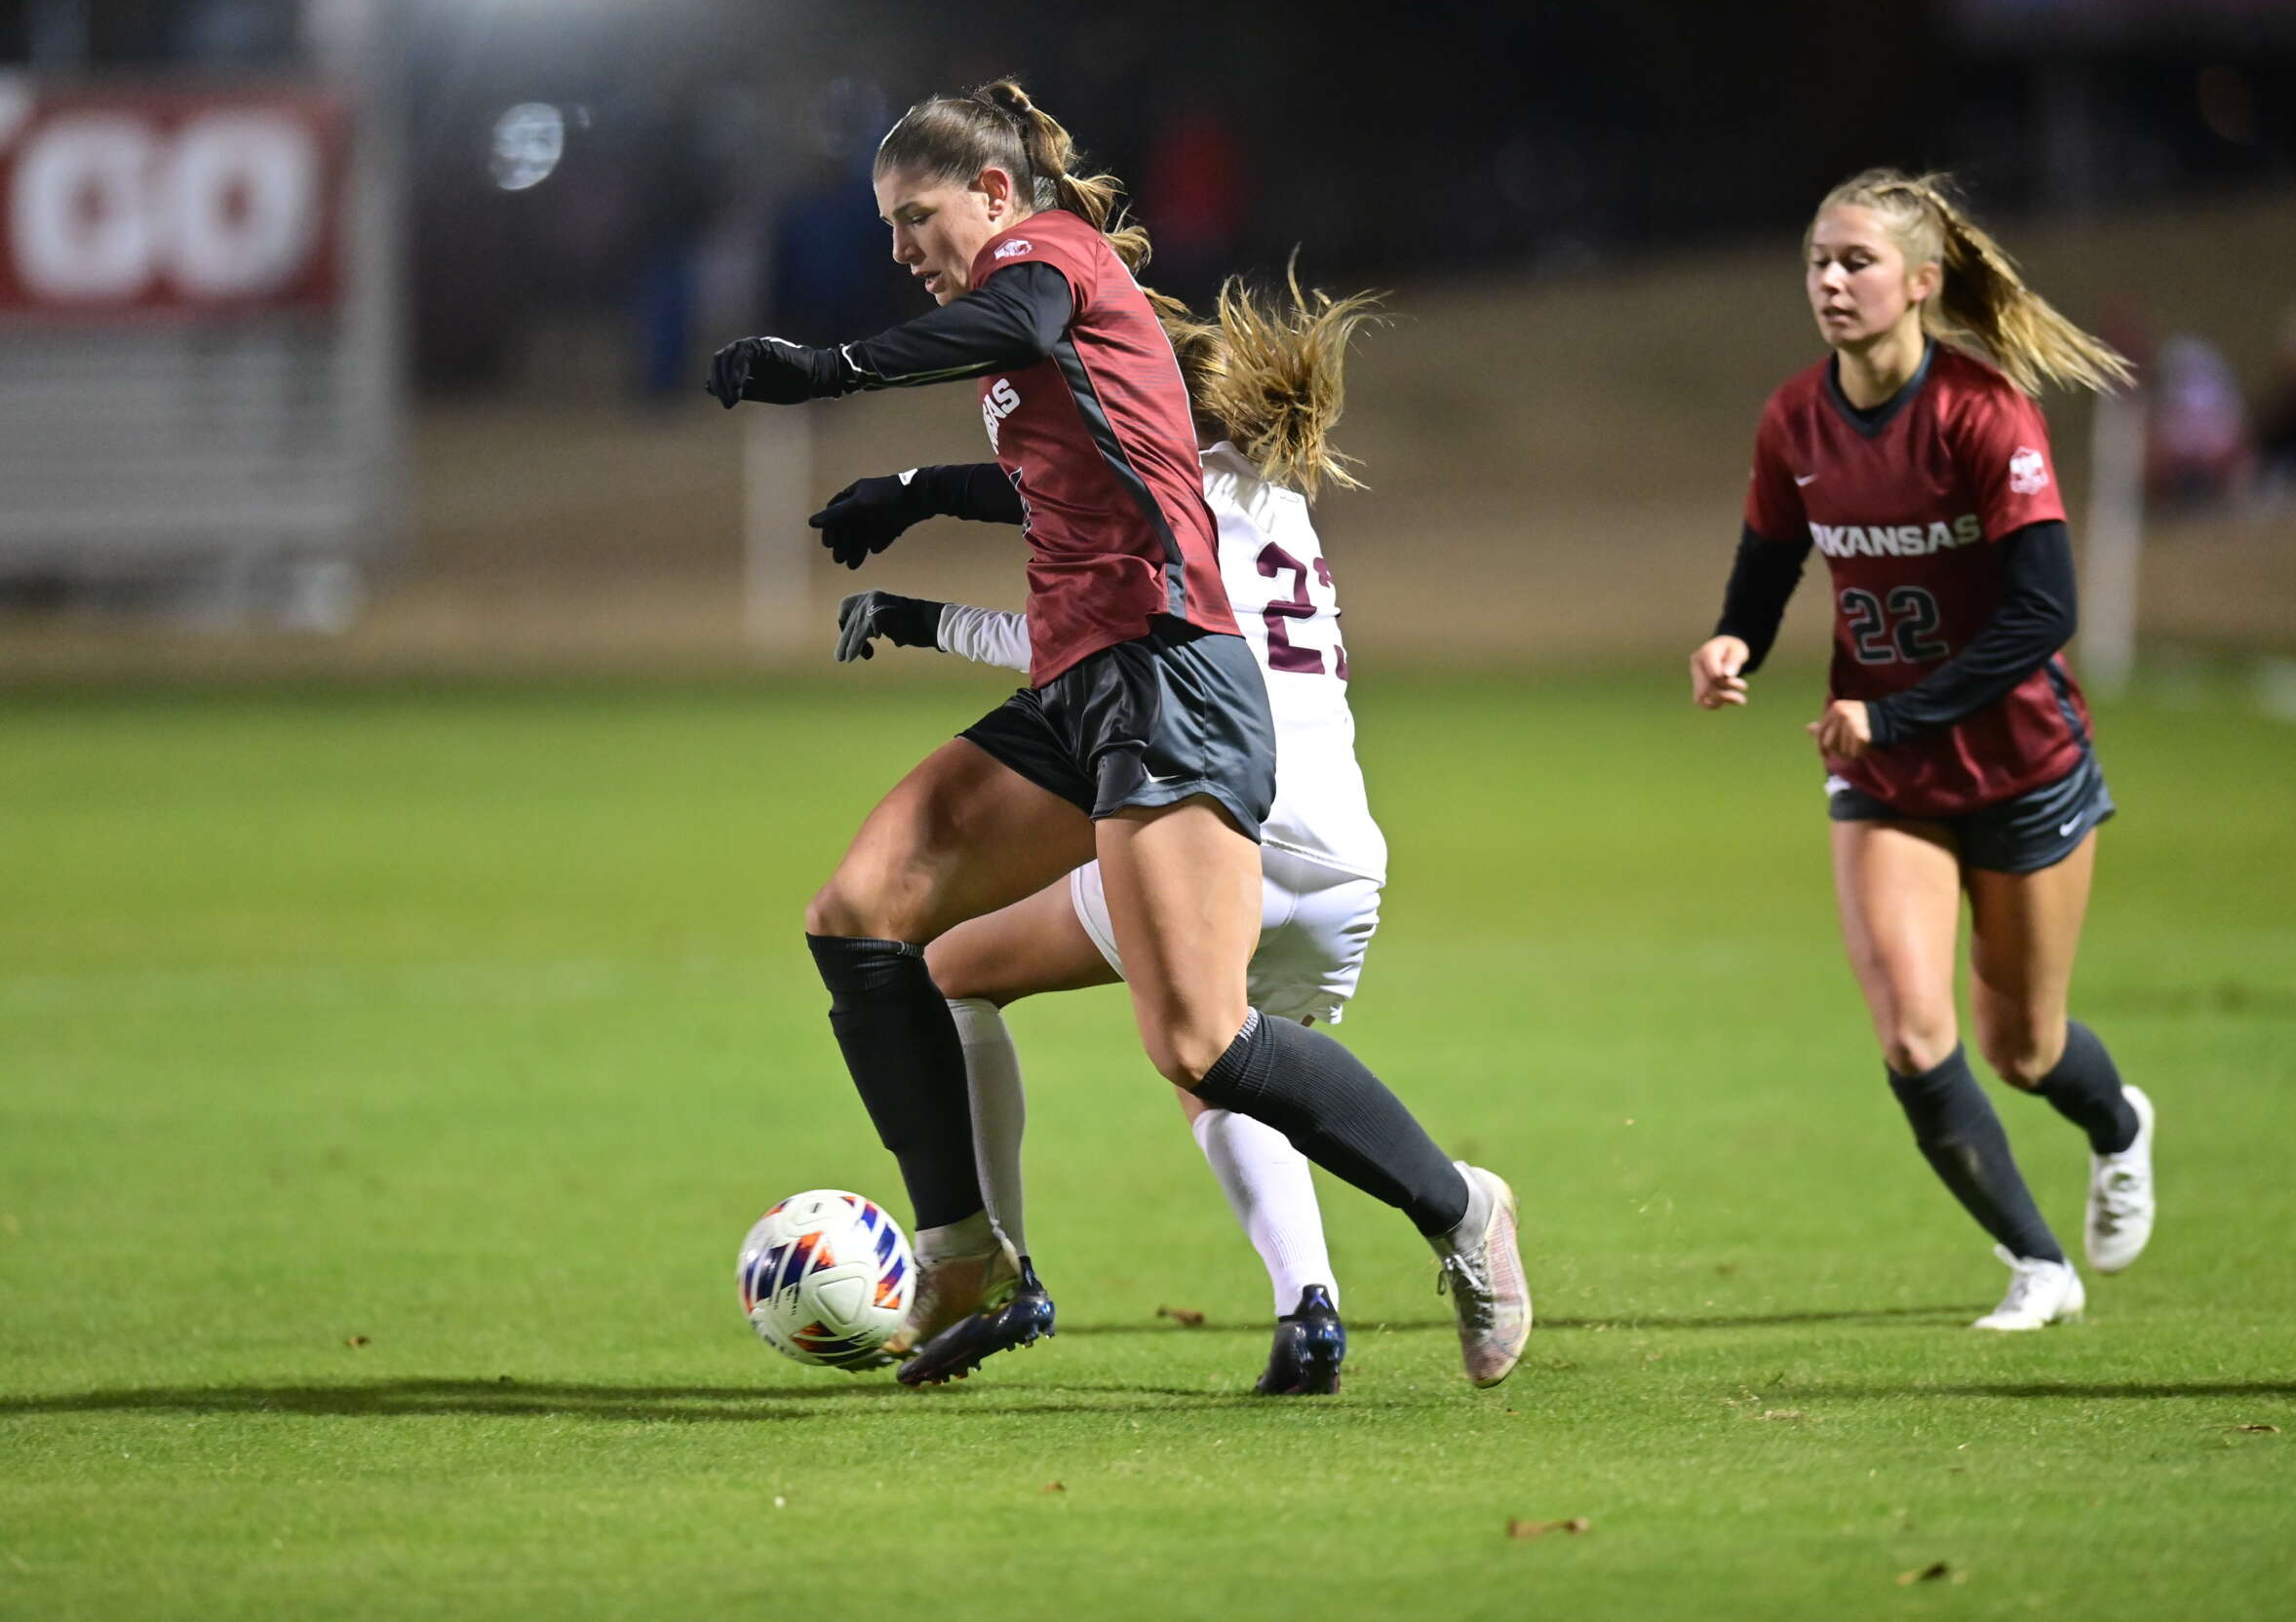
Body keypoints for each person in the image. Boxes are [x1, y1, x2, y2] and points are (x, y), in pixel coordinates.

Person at [704, 81, 1528, 1388]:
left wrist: (827, 371)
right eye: (886, 227)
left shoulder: (1051, 259)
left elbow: (1016, 314)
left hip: (1169, 673)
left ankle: (1457, 1204)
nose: (902, 248)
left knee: (1199, 1041)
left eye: (915, 217)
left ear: (991, 194)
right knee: (863, 912)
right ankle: (965, 1249)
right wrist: (912, 496)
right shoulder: (1035, 334)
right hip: (1083, 688)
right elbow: (1056, 472)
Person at [823, 268, 1387, 1393]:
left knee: (946, 971)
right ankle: (1308, 1305)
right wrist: (923, 514)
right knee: (1220, 1063)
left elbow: (1080, 650)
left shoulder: (1155, 496)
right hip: (1348, 866)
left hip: (1228, 817)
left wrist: (917, 605)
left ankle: (1000, 1264)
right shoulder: (1279, 506)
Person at [1687, 169, 2158, 1331]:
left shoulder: (1981, 410)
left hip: (2021, 761)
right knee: (1909, 1022)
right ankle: (2038, 1265)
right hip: (1884, 773)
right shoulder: (1795, 415)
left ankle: (2118, 1124)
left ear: (1921, 282)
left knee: (2023, 1044)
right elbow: (1770, 558)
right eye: (1817, 261)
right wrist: (1732, 641)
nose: (1831, 281)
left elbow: (2044, 611)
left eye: (1855, 262)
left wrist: (1896, 711)